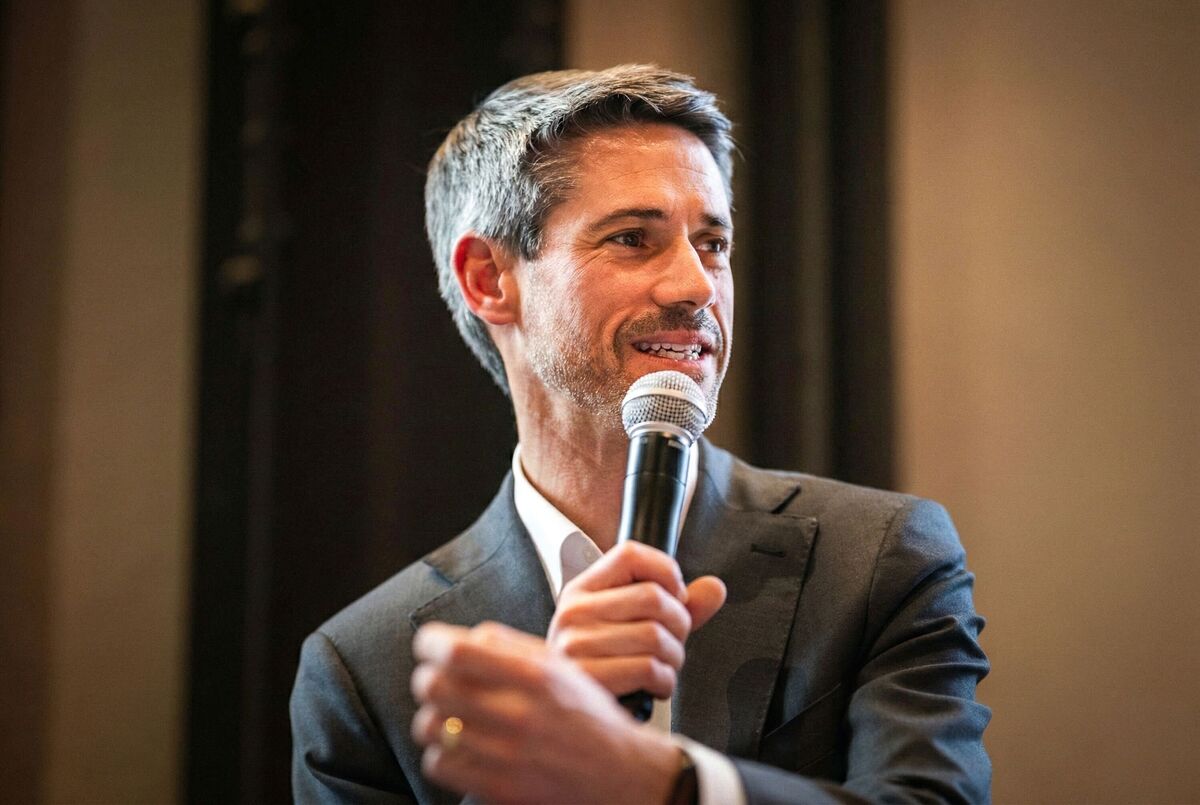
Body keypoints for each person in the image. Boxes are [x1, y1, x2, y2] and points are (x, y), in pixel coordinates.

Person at [290, 64, 991, 804]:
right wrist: (543, 763)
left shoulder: (880, 558)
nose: (696, 287)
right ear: (489, 279)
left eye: (712, 243)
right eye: (633, 238)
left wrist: (664, 782)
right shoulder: (363, 668)